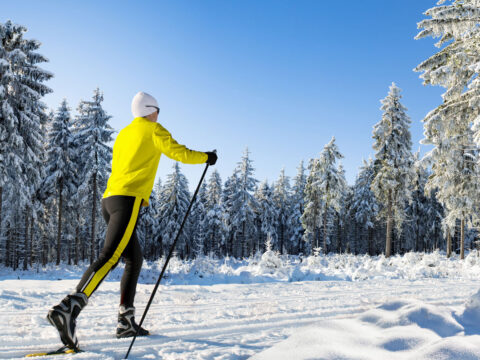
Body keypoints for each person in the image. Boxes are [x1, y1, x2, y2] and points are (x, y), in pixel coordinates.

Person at [46, 91, 217, 350]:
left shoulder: (125, 133)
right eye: (157, 109)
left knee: (133, 259)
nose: (159, 114)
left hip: (110, 200)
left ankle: (125, 321)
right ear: (150, 110)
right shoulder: (153, 129)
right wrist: (206, 157)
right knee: (110, 257)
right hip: (127, 201)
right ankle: (69, 308)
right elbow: (178, 152)